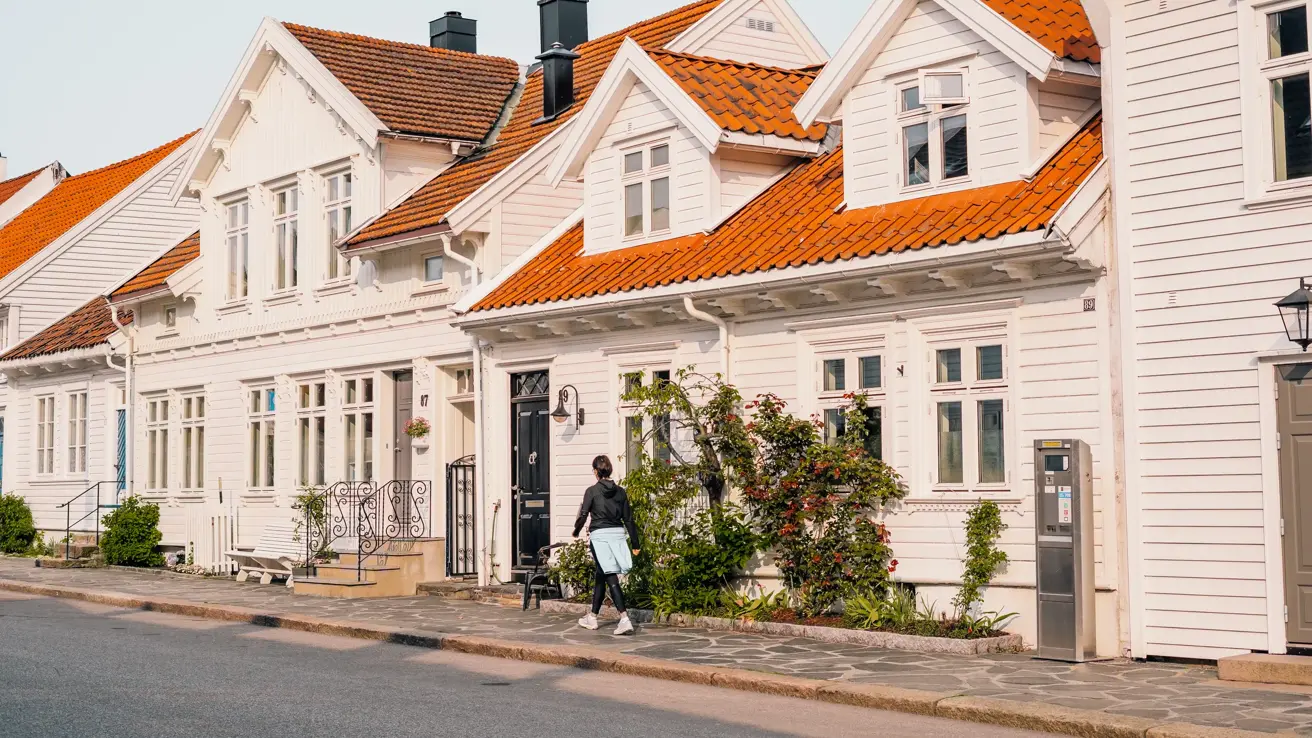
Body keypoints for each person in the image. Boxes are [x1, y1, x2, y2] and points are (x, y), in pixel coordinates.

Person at [572, 455, 641, 635]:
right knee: (600, 574)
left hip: (600, 537)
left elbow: (584, 514)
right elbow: (628, 519)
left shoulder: (592, 491)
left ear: (596, 471)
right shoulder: (621, 492)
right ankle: (592, 616)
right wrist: (635, 543)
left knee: (610, 575)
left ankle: (624, 618)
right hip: (617, 535)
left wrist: (576, 531)